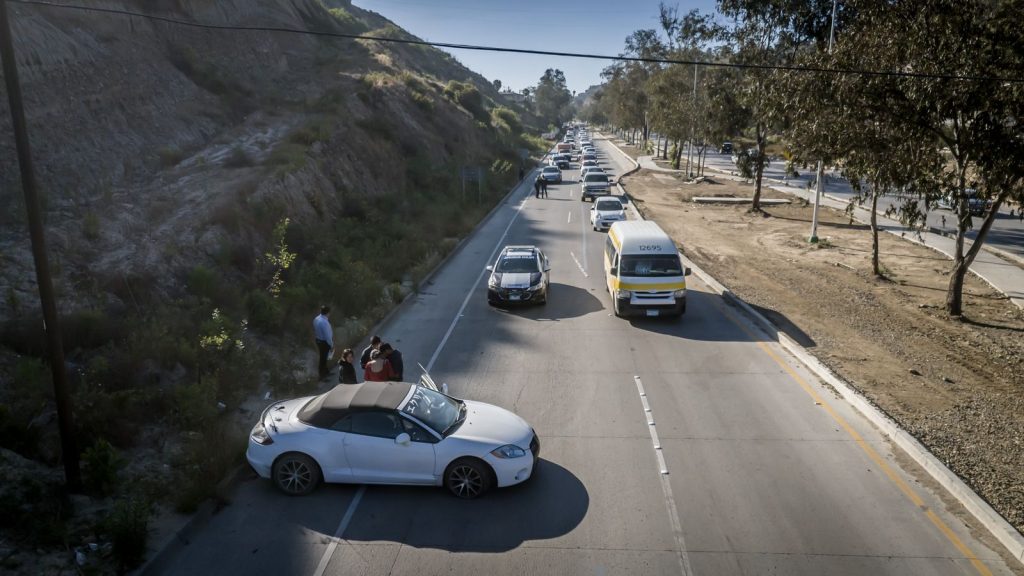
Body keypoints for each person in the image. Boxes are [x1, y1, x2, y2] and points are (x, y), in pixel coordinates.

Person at [312, 306, 333, 380]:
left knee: (324, 357)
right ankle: (322, 376)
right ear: (328, 313)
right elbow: (327, 336)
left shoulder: (316, 319)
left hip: (318, 340)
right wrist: (331, 344)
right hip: (324, 342)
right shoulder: (324, 322)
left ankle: (326, 372)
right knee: (323, 359)